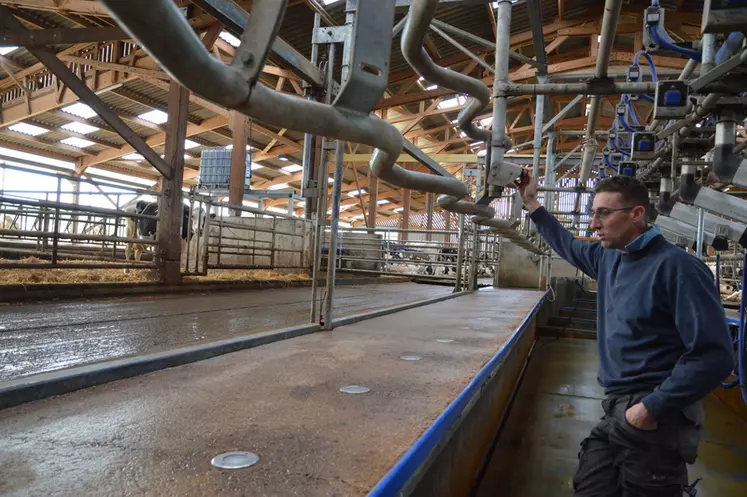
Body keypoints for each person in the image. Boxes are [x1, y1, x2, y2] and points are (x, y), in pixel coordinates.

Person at [515, 172, 735, 497]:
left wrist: (650, 408)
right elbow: (567, 244)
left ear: (636, 215)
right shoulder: (609, 258)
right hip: (617, 408)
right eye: (593, 213)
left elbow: (714, 356)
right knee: (590, 486)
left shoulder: (678, 268)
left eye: (603, 213)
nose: (593, 224)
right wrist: (532, 204)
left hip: (655, 416)